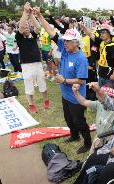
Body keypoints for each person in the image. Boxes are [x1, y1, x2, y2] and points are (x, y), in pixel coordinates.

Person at [35, 6, 92, 154]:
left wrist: (64, 80)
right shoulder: (65, 49)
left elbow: (80, 81)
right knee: (68, 118)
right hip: (65, 94)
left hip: (77, 97)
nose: (64, 43)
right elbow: (50, 31)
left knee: (80, 121)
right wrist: (40, 16)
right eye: (64, 41)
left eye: (68, 41)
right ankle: (74, 136)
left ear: (76, 42)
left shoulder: (81, 58)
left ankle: (87, 142)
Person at [16, 2, 49, 113]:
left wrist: (31, 15)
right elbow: (21, 25)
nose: (25, 28)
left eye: (27, 27)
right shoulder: (20, 38)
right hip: (26, 65)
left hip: (37, 63)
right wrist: (25, 13)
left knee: (42, 83)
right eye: (23, 27)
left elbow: (38, 27)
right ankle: (31, 105)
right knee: (28, 84)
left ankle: (46, 100)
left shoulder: (33, 35)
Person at [72, 83, 114, 153]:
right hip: (98, 138)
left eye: (101, 96)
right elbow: (83, 101)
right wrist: (76, 92)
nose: (98, 98)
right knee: (92, 155)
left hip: (110, 142)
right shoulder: (99, 104)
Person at [79, 22, 114, 88]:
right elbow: (90, 34)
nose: (101, 34)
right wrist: (83, 27)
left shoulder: (113, 46)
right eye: (100, 33)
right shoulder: (101, 42)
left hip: (109, 75)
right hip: (101, 73)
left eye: (103, 33)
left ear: (109, 33)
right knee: (102, 93)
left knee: (111, 95)